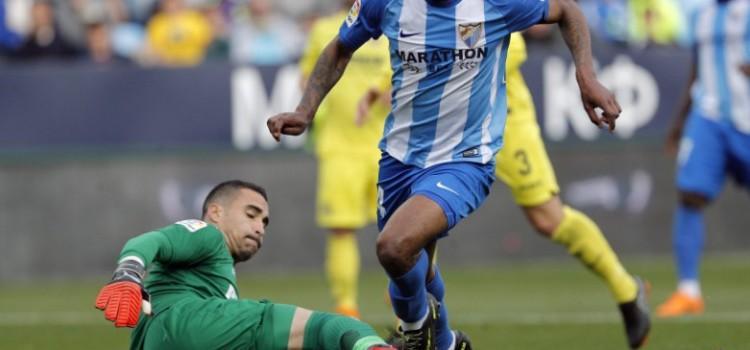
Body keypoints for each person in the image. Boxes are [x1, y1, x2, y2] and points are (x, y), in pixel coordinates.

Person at [268, 0, 627, 349]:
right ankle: (445, 342)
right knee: (411, 262)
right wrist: (306, 110)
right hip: (399, 158)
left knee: (394, 246)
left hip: (465, 159)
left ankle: (414, 334)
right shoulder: (386, 4)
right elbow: (339, 49)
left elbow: (567, 9)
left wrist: (586, 76)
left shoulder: (497, 5)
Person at [358, 31, 651, 349]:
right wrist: (381, 84)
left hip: (506, 121)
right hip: (447, 130)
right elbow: (418, 40)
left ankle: (626, 291)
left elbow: (518, 46)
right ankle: (424, 335)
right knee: (418, 223)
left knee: (548, 219)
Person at [94, 180, 397, 350]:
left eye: (264, 221)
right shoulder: (207, 234)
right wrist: (128, 274)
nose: (260, 227)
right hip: (186, 323)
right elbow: (151, 241)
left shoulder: (216, 272)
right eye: (251, 214)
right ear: (215, 212)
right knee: (330, 328)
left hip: (156, 342)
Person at [299, 0, 391, 319]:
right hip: (362, 147)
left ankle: (352, 304)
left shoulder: (327, 30)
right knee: (403, 227)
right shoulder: (390, 22)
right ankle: (350, 308)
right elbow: (308, 80)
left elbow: (308, 80)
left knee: (350, 231)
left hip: (378, 146)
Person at [659, 0, 750, 318]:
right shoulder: (702, 16)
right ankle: (688, 291)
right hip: (708, 116)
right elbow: (696, 71)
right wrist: (678, 124)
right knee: (690, 194)